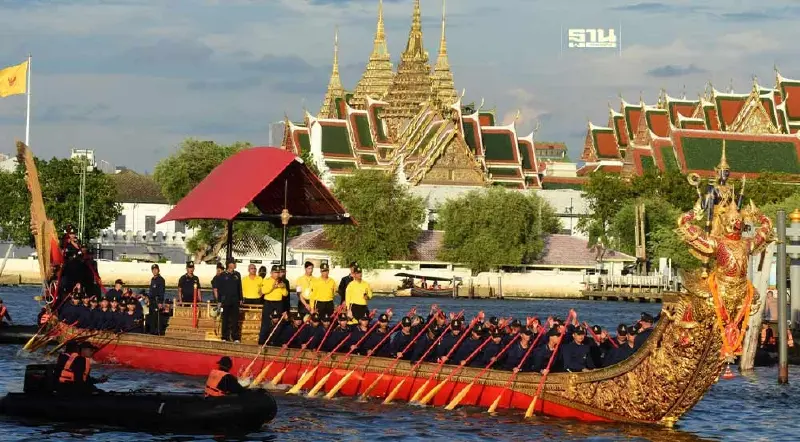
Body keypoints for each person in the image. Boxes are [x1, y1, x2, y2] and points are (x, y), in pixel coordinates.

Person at [217, 259, 243, 342]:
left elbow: (240, 287)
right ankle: (225, 336)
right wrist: (219, 301)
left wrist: (241, 298)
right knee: (225, 319)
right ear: (229, 265)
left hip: (235, 300)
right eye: (233, 263)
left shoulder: (237, 274)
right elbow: (219, 289)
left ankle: (235, 337)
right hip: (226, 300)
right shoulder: (222, 275)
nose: (235, 264)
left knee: (235, 319)